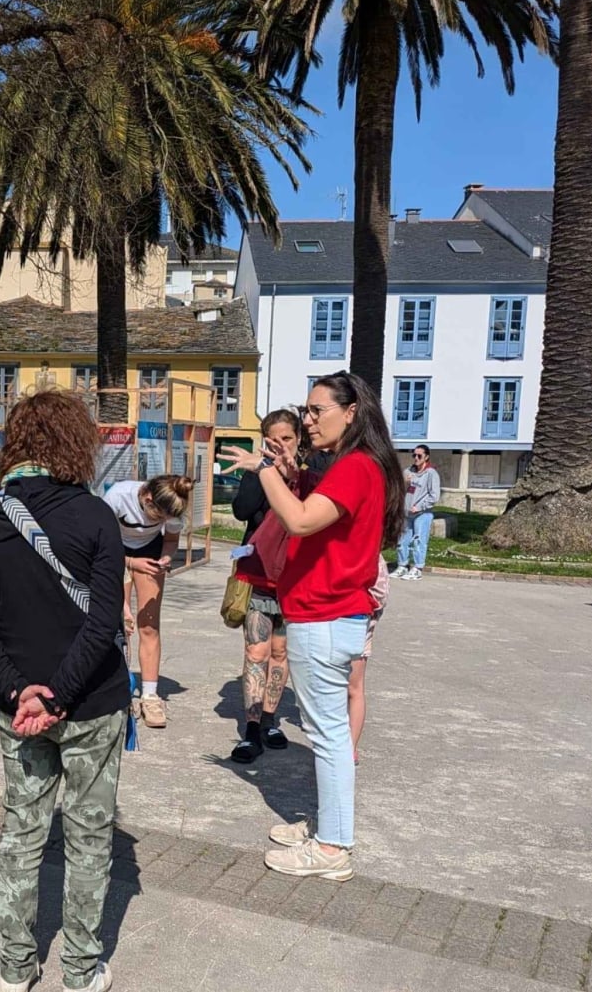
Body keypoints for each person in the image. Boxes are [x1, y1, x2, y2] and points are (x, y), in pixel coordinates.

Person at [0, 389, 128, 992]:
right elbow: (103, 622)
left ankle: (15, 968)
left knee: (21, 834)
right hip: (92, 703)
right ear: (76, 444)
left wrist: (18, 690)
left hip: (19, 711)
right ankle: (79, 971)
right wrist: (58, 694)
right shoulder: (95, 515)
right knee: (89, 839)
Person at [219, 371, 403, 882]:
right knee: (329, 733)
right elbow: (319, 516)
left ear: (351, 412)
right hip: (323, 613)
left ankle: (332, 847)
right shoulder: (352, 465)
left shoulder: (356, 466)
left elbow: (300, 520)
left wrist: (265, 471)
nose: (308, 420)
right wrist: (287, 473)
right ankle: (328, 828)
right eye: (306, 410)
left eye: (317, 410)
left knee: (329, 737)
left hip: (326, 615)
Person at [227, 410, 302, 763]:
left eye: (287, 439)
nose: (281, 445)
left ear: (298, 440)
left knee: (280, 652)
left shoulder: (307, 476)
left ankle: (271, 720)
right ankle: (252, 728)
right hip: (257, 572)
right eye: (274, 439)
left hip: (294, 577)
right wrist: (263, 472)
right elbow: (242, 510)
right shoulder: (258, 470)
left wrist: (290, 475)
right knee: (255, 652)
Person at [101, 474, 192, 729]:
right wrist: (130, 564)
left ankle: (150, 696)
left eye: (166, 519)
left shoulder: (173, 508)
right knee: (121, 623)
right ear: (147, 499)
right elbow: (98, 545)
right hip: (113, 551)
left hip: (149, 551)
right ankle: (120, 689)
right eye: (158, 516)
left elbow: (171, 541)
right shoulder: (117, 497)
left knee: (149, 624)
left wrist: (166, 558)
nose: (162, 521)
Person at [350, 554, 389, 766]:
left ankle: (351, 747)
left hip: (359, 621)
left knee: (353, 688)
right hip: (330, 622)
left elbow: (380, 596)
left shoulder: (372, 555)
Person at [394, 444, 441, 581]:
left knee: (419, 540)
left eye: (419, 455)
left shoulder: (431, 473)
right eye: (414, 455)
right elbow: (399, 491)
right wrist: (405, 483)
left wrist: (420, 507)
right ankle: (402, 565)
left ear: (426, 457)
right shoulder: (408, 471)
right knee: (402, 540)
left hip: (422, 514)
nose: (416, 458)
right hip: (406, 513)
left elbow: (434, 496)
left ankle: (417, 568)